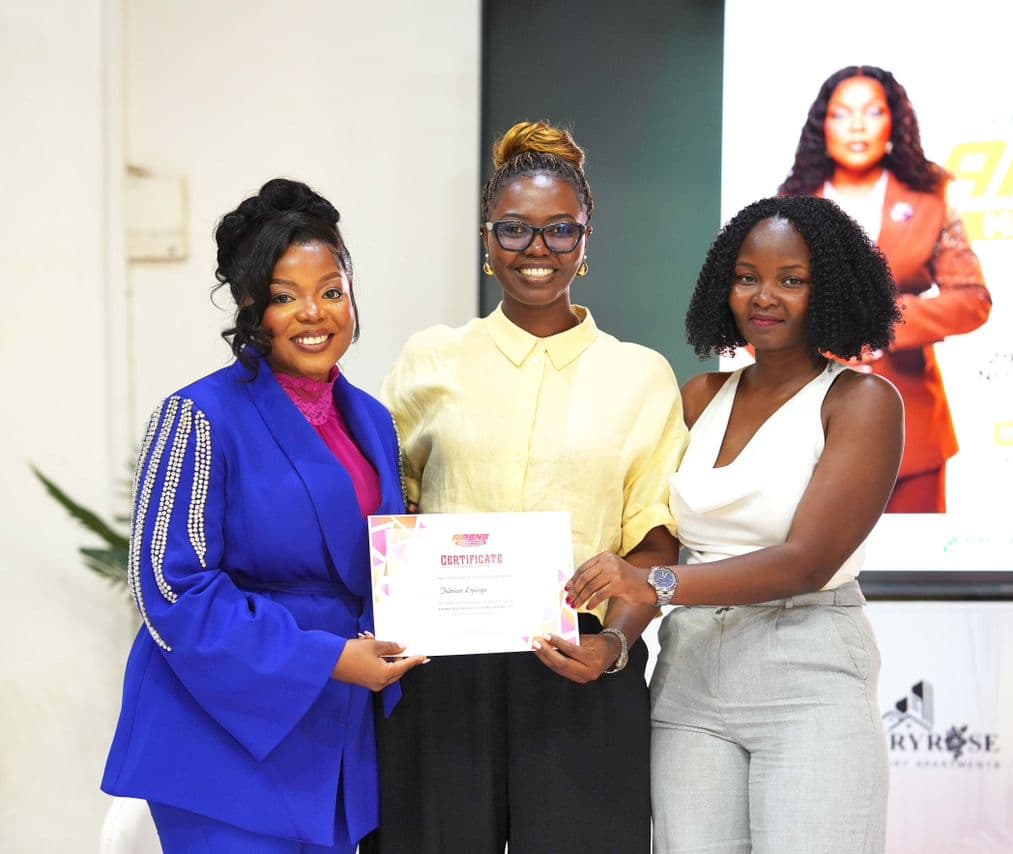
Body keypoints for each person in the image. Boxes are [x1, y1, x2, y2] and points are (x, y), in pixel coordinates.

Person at [375, 121, 687, 853]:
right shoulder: (431, 358)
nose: (536, 250)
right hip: (442, 674)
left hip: (579, 667)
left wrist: (616, 641)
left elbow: (655, 533)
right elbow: (390, 498)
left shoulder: (639, 374)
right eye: (514, 230)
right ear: (487, 240)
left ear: (586, 240)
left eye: (559, 231)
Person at [567, 195, 904, 853]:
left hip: (807, 667)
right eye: (747, 276)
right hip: (692, 674)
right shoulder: (699, 397)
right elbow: (661, 540)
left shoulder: (862, 401)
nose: (763, 296)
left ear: (831, 290)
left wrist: (652, 585)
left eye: (792, 279)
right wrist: (613, 641)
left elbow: (805, 560)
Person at [101, 178, 426, 853]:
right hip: (224, 732)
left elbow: (385, 566)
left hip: (334, 738)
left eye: (332, 291)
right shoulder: (198, 416)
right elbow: (169, 589)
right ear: (252, 305)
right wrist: (328, 657)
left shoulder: (372, 421)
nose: (315, 313)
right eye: (286, 296)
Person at [780, 64, 991, 513]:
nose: (857, 125)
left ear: (894, 122)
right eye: (842, 114)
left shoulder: (930, 198)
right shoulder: (789, 206)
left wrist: (883, 321)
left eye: (873, 112)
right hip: (805, 428)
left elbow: (972, 300)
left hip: (913, 435)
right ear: (823, 127)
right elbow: (762, 311)